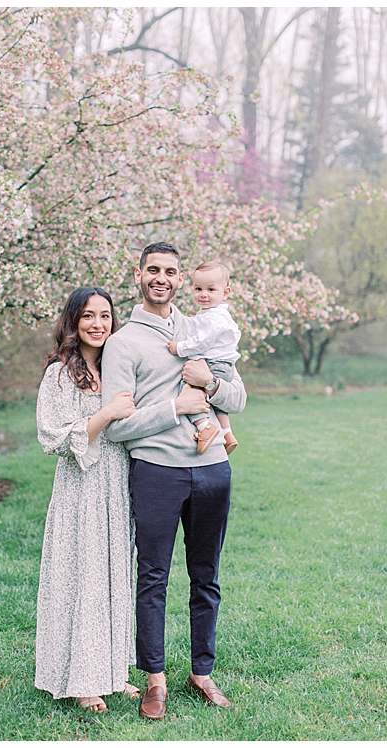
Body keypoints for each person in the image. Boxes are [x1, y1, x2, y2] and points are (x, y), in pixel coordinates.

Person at [101, 241, 247, 721]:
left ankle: (201, 672)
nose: (162, 278)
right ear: (139, 274)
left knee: (207, 576)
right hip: (156, 471)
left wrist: (209, 384)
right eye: (153, 270)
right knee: (153, 576)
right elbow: (117, 426)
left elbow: (239, 399)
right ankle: (155, 678)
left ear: (182, 279)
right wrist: (174, 409)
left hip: (212, 472)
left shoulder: (205, 325)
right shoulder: (122, 342)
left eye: (171, 271)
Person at [35, 287, 139, 713]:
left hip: (118, 483)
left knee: (115, 575)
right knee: (84, 578)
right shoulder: (60, 373)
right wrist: (105, 414)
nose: (99, 324)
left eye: (106, 316)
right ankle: (82, 678)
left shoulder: (116, 371)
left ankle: (114, 672)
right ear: (73, 322)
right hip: (82, 486)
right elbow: (52, 437)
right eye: (89, 317)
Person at [165, 261, 241, 456]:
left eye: (211, 289)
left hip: (214, 365)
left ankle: (204, 426)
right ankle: (227, 434)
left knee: (188, 389)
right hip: (223, 364)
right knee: (217, 403)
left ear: (225, 293)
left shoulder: (212, 318)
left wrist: (179, 347)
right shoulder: (214, 314)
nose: (203, 294)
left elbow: (201, 343)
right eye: (198, 288)